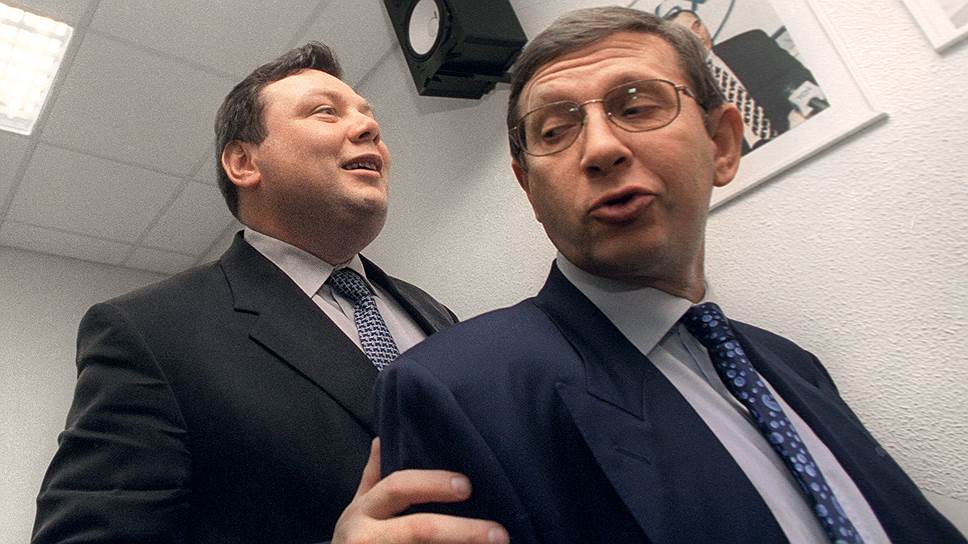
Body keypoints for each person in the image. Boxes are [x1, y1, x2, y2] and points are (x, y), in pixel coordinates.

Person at [376, 8, 965, 544]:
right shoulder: (455, 391)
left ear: (723, 144)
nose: (600, 148)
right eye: (555, 130)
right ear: (528, 187)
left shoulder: (795, 365)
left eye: (636, 107)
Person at [32, 42, 508, 544]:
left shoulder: (434, 312)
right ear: (243, 163)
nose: (369, 128)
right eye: (326, 112)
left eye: (370, 117)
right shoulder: (148, 331)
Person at [665, 8, 828, 153]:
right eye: (687, 35)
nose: (698, 36)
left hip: (797, 132)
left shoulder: (752, 44)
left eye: (697, 26)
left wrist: (801, 110)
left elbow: (801, 78)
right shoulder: (684, 89)